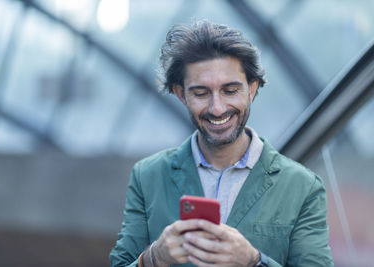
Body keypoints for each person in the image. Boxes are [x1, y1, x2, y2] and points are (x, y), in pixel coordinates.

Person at [109, 20, 333, 267]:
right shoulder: (148, 176)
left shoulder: (303, 187)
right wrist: (154, 258)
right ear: (182, 94)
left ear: (252, 88)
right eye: (201, 93)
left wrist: (253, 261)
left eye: (230, 90)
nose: (217, 108)